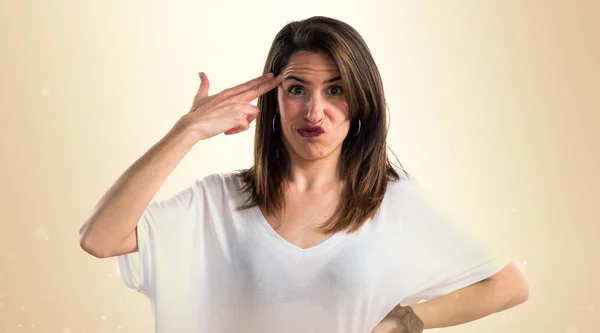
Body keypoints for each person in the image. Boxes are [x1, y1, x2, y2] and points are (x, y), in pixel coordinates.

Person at [79, 16, 529, 333]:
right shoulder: (217, 202)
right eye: (297, 89)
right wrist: (188, 130)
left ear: (361, 101)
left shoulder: (392, 202)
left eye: (335, 90)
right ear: (275, 99)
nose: (315, 111)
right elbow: (100, 238)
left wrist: (408, 320)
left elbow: (507, 285)